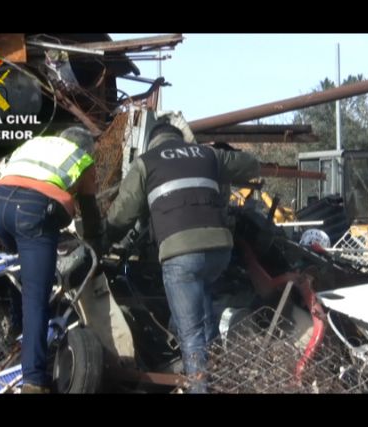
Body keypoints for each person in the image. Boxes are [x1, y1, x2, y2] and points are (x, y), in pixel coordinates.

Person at [105, 118, 260, 393]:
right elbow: (250, 164)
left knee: (191, 335)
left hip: (181, 254)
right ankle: (219, 379)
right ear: (180, 138)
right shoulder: (207, 154)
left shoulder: (145, 162)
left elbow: (120, 216)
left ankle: (200, 387)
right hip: (219, 251)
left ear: (153, 141)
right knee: (202, 318)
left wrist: (100, 241)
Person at [0, 126, 103, 393]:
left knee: (22, 267)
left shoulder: (37, 144)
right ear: (86, 148)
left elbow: (1, 176)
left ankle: (16, 325)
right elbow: (91, 217)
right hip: (32, 213)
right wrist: (96, 248)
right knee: (37, 296)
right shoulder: (83, 160)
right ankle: (34, 382)